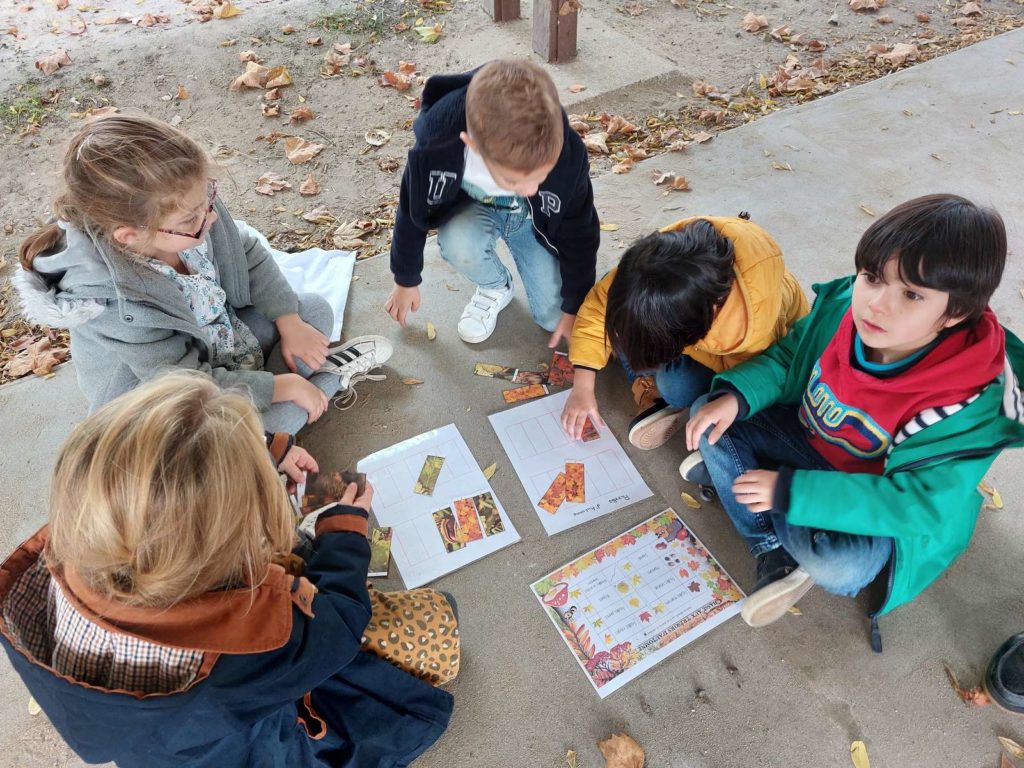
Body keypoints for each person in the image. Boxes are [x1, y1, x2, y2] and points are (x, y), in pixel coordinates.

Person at [0, 371, 458, 767]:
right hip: (256, 742)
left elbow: (164, 470)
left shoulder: (77, 542)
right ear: (224, 553)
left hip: (162, 738)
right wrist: (344, 532)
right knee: (441, 620)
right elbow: (337, 626)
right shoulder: (244, 647)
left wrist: (260, 452)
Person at [683, 194, 1024, 642]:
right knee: (709, 415)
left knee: (844, 568)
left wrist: (791, 491)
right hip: (805, 440)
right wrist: (738, 397)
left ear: (955, 312)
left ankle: (747, 484)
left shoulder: (968, 400)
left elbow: (917, 504)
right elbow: (790, 358)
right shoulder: (847, 306)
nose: (877, 304)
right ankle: (770, 546)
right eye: (873, 277)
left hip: (874, 495)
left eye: (912, 294)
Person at [16, 114, 391, 434]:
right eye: (192, 218)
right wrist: (282, 387)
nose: (210, 218)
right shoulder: (115, 306)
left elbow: (248, 253)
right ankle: (319, 386)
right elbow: (188, 386)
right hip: (170, 404)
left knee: (311, 311)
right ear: (130, 236)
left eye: (208, 198)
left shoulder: (187, 211)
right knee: (270, 422)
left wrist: (289, 322)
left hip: (222, 344)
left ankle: (285, 403)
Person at [384, 58, 600, 347]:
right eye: (513, 181)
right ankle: (495, 285)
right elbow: (411, 209)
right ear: (473, 146)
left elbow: (581, 231)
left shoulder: (567, 152)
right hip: (474, 210)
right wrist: (405, 277)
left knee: (555, 319)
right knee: (459, 245)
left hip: (532, 222)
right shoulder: (435, 148)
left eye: (542, 176)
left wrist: (574, 304)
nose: (530, 189)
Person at [562, 215, 808, 449]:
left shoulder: (746, 333)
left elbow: (759, 382)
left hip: (743, 361)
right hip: (697, 328)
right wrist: (582, 385)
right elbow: (599, 306)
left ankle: (663, 391)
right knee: (620, 312)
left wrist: (722, 409)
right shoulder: (651, 267)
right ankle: (651, 382)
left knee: (677, 388)